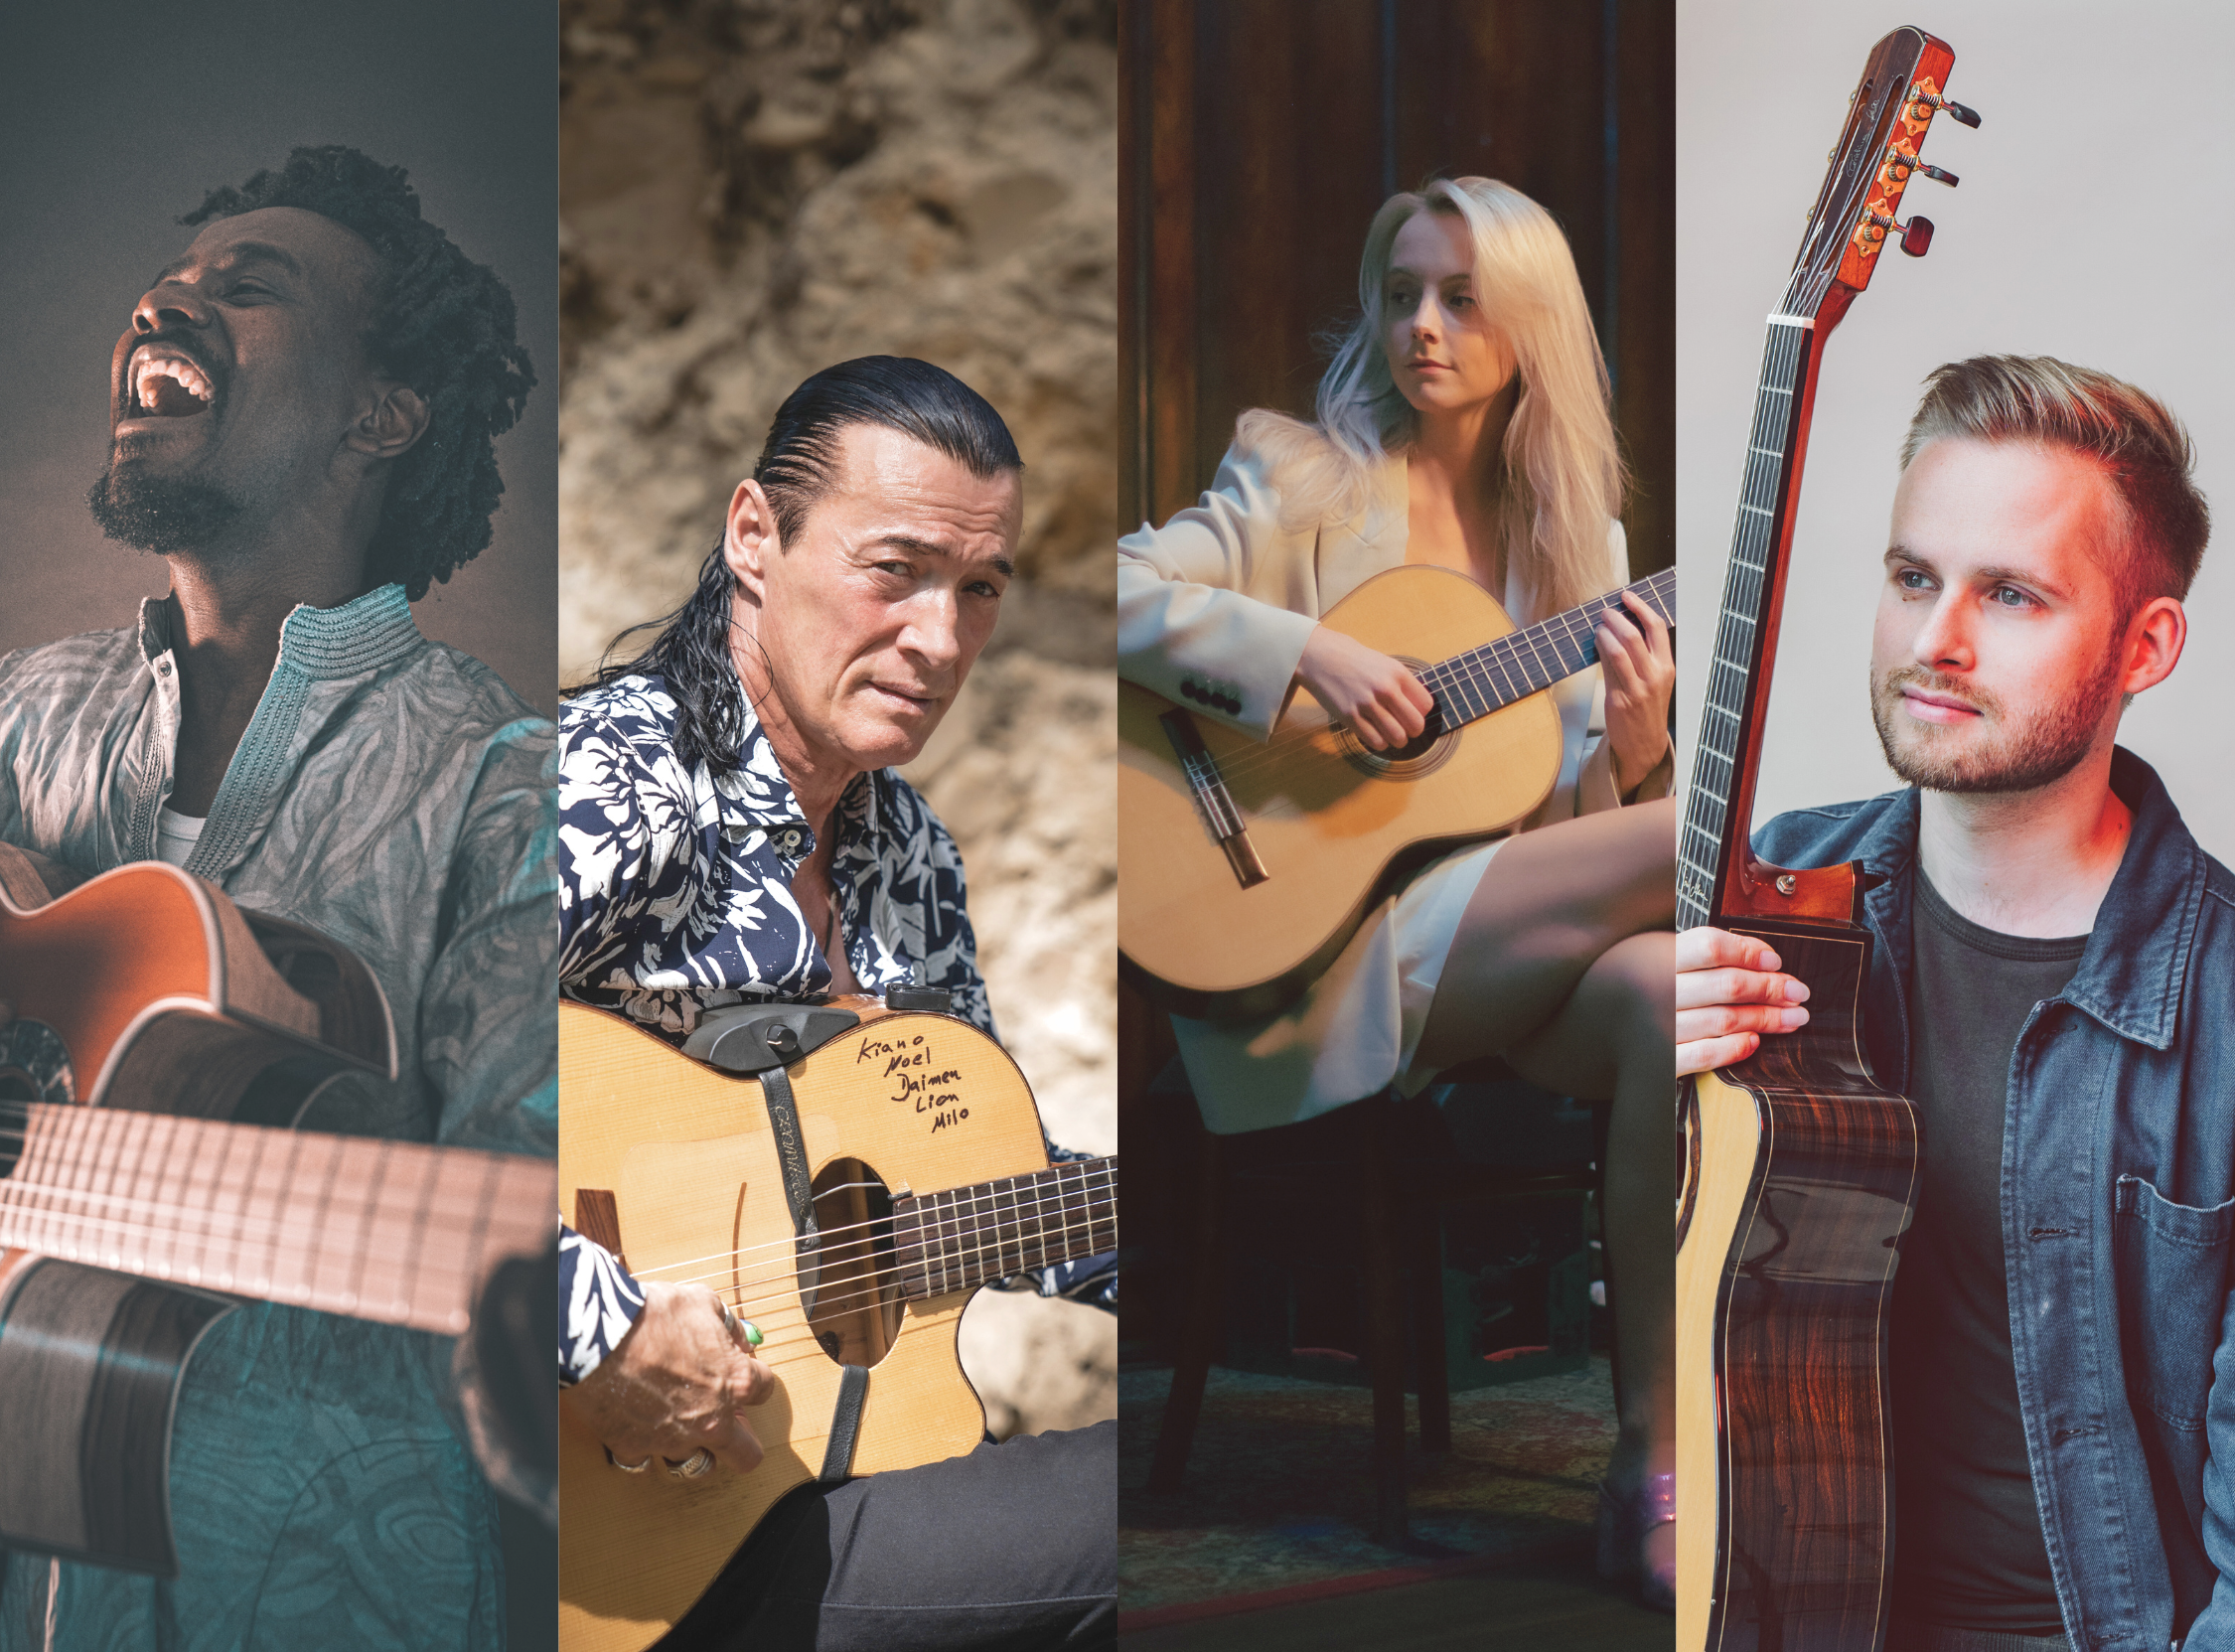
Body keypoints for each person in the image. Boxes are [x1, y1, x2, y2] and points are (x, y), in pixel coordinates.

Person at [0, 147, 555, 1647]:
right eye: (170, 282)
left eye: (249, 287)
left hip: (322, 1596)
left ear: (381, 416)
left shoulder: (510, 785)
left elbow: (550, 1239)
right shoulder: (22, 717)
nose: (165, 302)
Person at [1117, 177, 1678, 1605]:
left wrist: (1635, 749)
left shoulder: (1585, 555)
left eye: (1458, 296)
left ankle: (1648, 1465)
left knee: (1672, 998)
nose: (1419, 326)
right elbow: (1098, 587)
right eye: (1399, 292)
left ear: (1529, 326)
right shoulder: (1296, 474)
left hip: (1479, 946)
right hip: (1302, 953)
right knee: (1707, 853)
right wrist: (1302, 651)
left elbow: (1552, 835)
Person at [556, 355, 1117, 1650]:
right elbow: (371, 1120)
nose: (941, 637)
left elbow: (971, 1177)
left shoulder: (904, 848)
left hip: (798, 1498)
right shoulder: (613, 779)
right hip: (581, 1532)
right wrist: (606, 1330)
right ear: (754, 535)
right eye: (896, 569)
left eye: (979, 589)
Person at [1678, 357, 2233, 1652]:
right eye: (1912, 576)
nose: (1935, 642)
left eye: (2012, 595)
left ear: (2144, 644)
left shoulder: (2219, 1005)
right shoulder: (1768, 894)